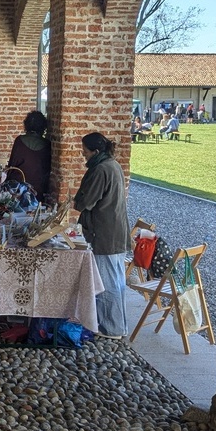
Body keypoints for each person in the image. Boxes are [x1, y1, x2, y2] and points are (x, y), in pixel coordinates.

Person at [73, 132, 132, 339]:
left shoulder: (100, 169)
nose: (83, 155)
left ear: (96, 151)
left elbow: (85, 202)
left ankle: (111, 328)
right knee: (116, 281)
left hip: (104, 233)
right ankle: (118, 325)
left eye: (85, 152)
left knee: (106, 282)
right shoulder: (113, 164)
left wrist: (76, 201)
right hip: (115, 231)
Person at [7, 110, 52, 202]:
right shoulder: (47, 144)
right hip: (38, 189)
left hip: (18, 187)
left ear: (26, 124)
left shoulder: (19, 140)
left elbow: (12, 165)